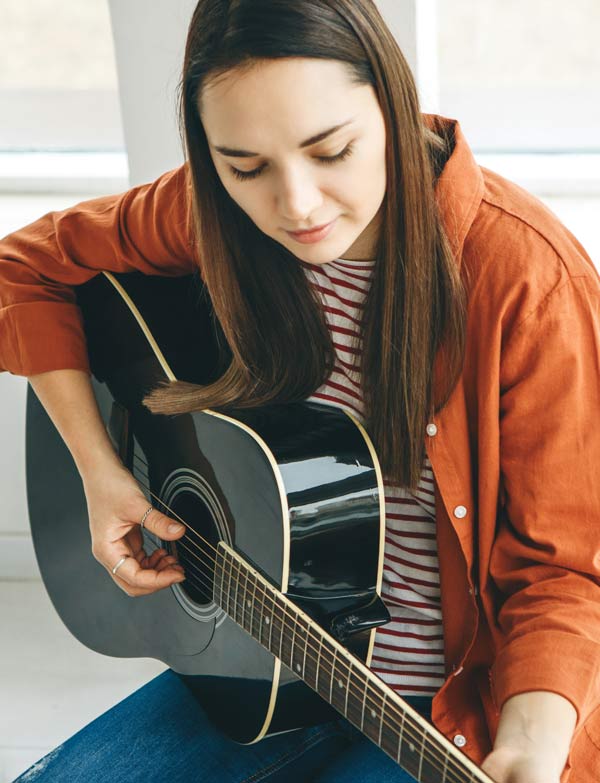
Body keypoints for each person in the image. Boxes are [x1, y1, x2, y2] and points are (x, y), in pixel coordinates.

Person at [1, 1, 599, 781]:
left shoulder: (527, 279)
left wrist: (529, 744)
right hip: (264, 657)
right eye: (244, 166)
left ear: (389, 102)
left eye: (333, 150)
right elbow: (28, 265)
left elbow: (565, 574)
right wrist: (99, 470)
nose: (297, 205)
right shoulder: (213, 216)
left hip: (446, 706)